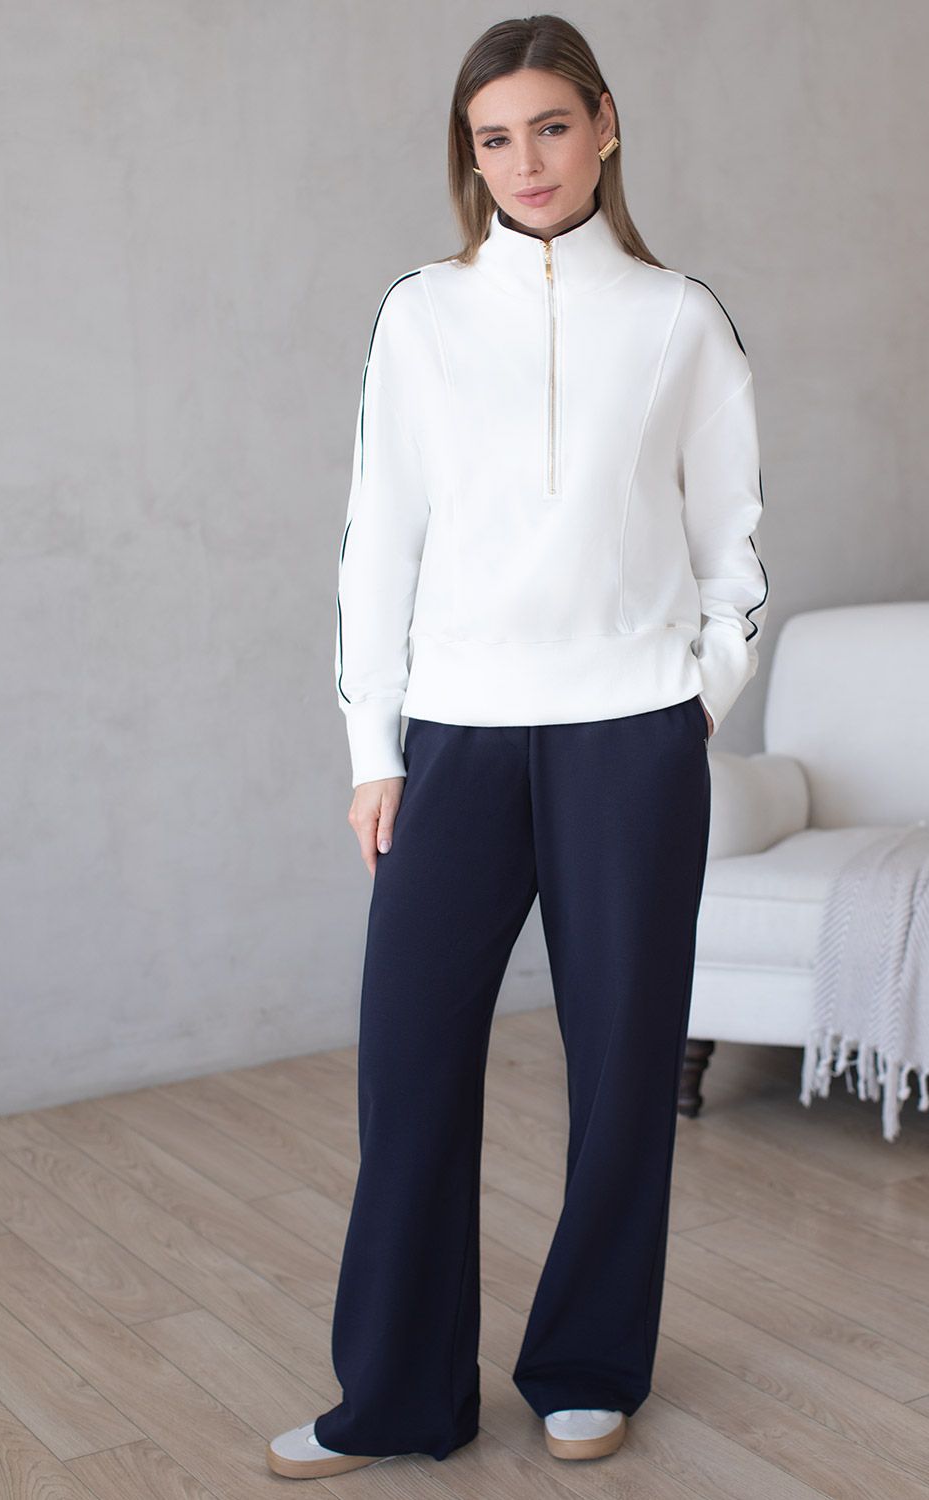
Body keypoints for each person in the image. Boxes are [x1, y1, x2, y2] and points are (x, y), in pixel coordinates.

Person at [266, 13, 768, 1482]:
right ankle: (397, 1395)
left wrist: (694, 701)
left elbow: (733, 548)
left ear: (605, 126)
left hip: (630, 743)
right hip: (456, 743)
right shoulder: (420, 315)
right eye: (495, 138)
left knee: (621, 1070)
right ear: (469, 157)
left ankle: (589, 1367)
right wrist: (373, 750)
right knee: (411, 1066)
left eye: (551, 126)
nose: (526, 162)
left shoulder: (680, 319)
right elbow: (377, 543)